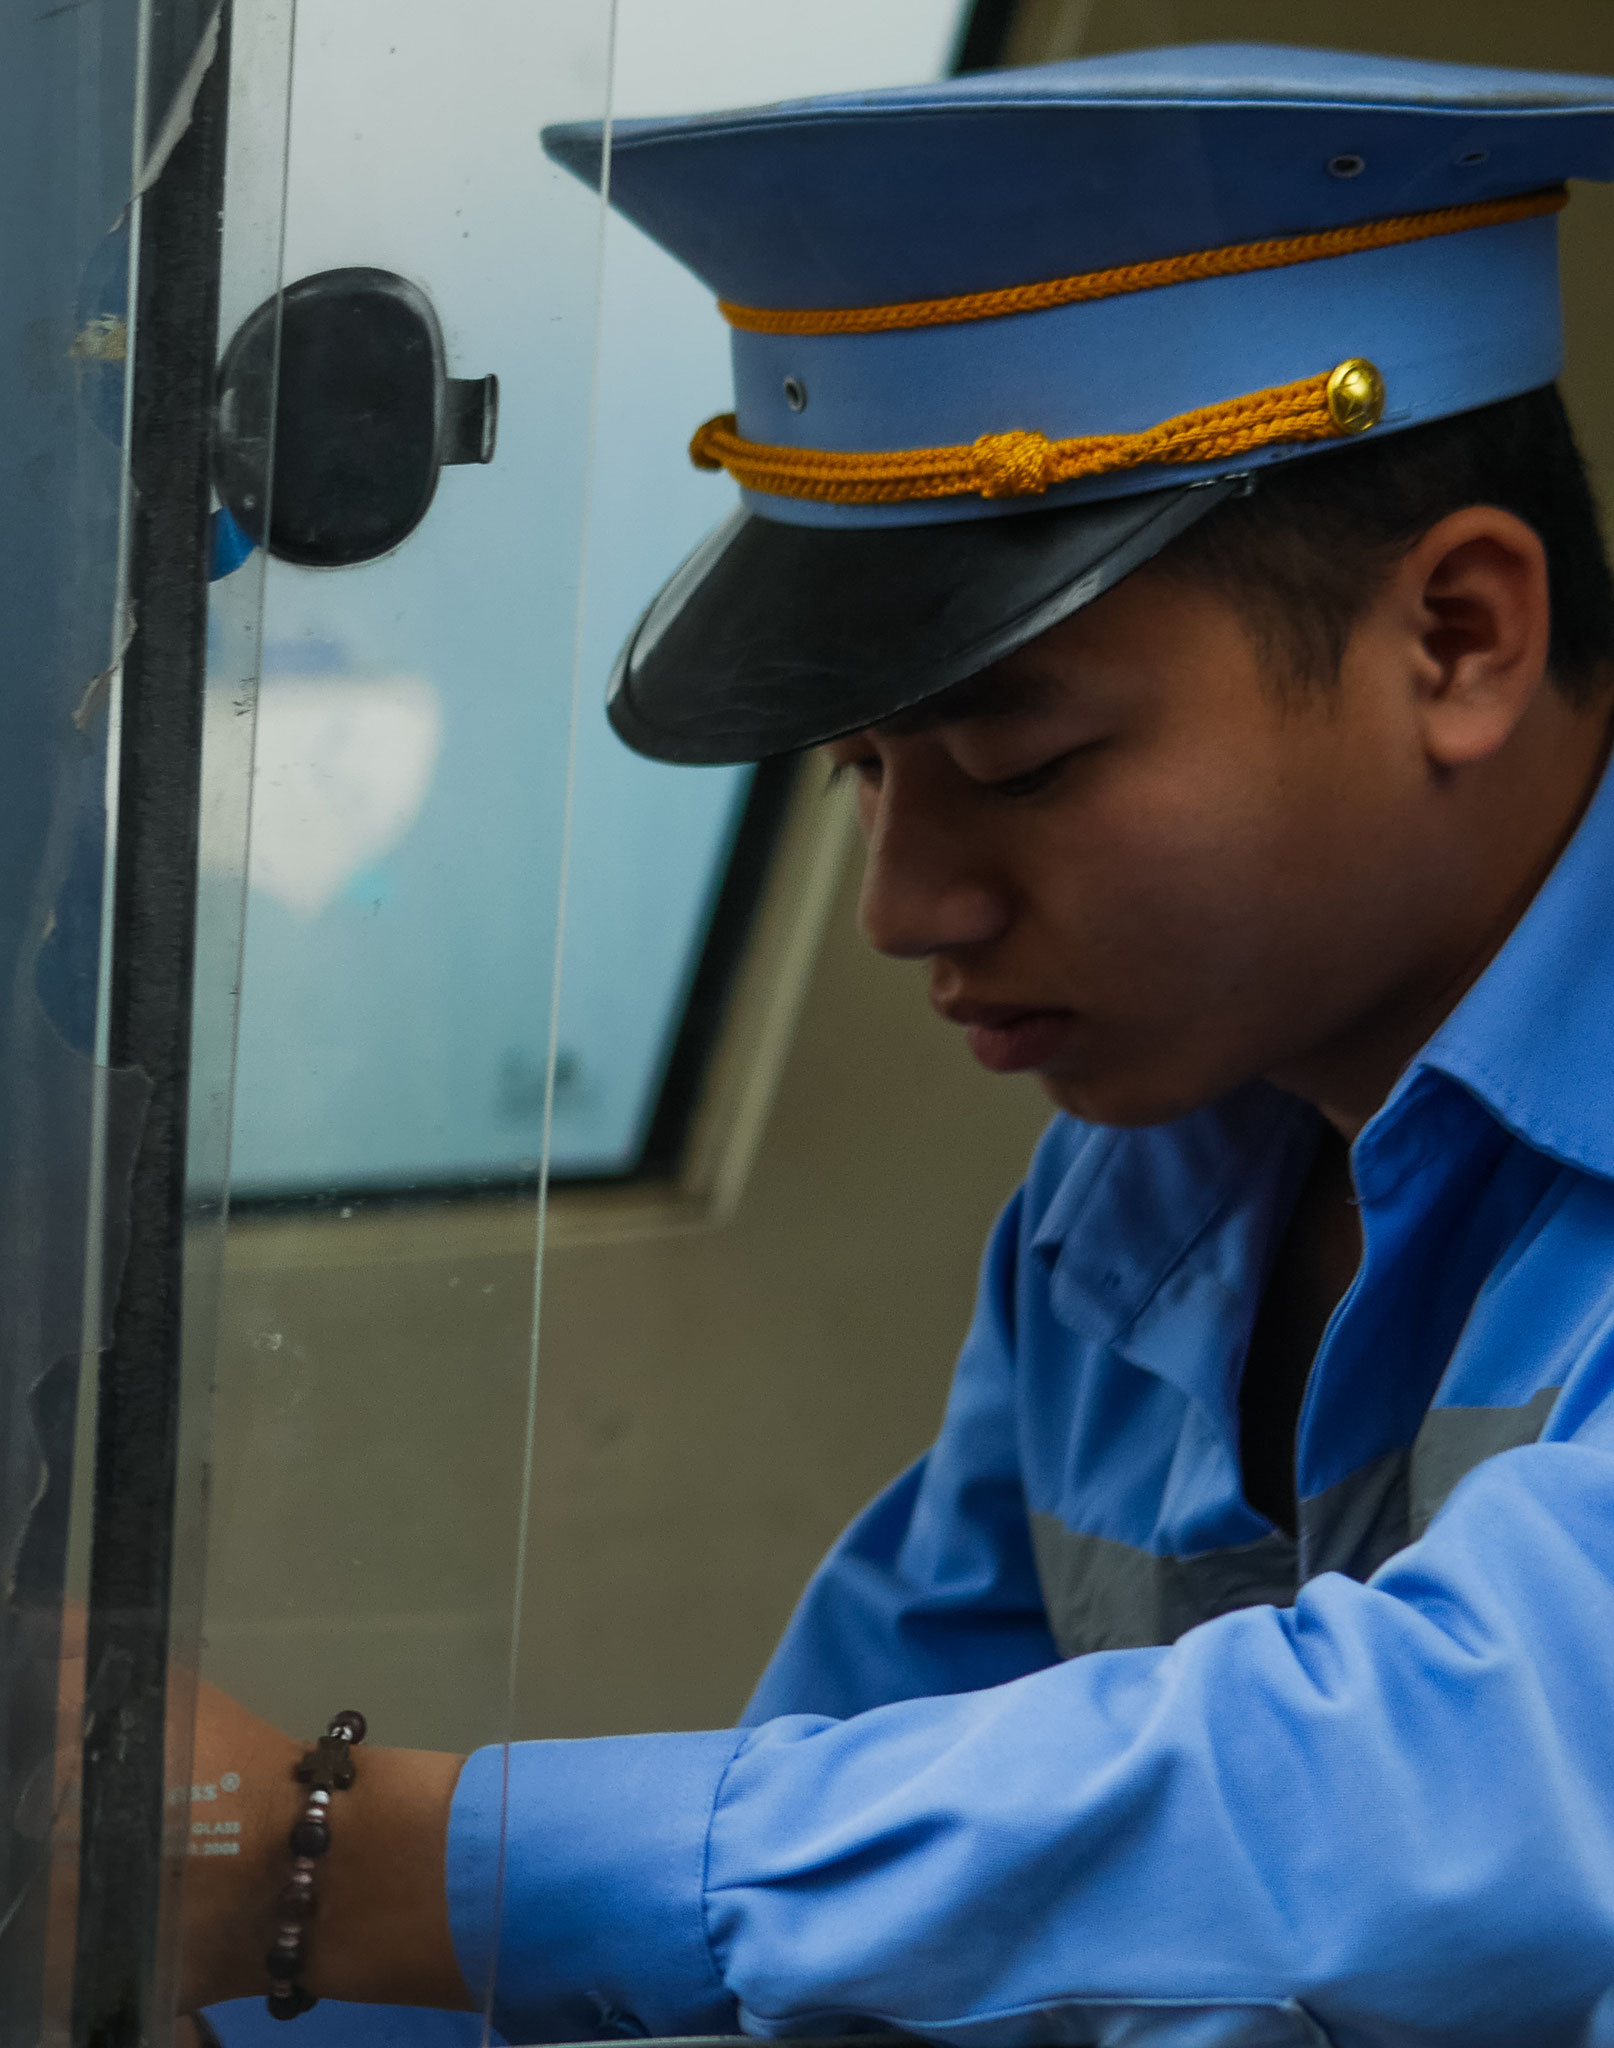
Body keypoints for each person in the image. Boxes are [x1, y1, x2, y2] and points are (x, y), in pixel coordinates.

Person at [187, 42, 1614, 2047]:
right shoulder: (1123, 1209)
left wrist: (350, 1860)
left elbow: (1457, 1798)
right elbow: (832, 1913)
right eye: (863, 774)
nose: (903, 905)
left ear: (1457, 636)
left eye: (1019, 763)